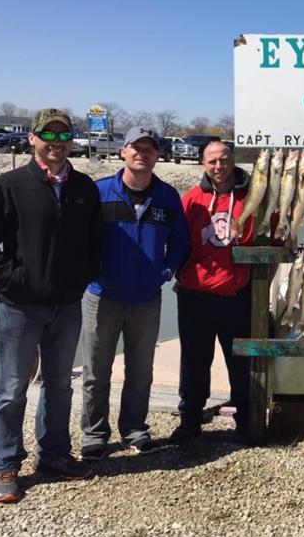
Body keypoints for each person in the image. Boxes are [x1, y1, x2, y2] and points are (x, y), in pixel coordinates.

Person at [0, 108, 102, 503]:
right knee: (11, 389)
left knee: (59, 385)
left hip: (67, 306)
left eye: (63, 136)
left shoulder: (84, 187)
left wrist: (81, 279)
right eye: (49, 135)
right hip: (18, 307)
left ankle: (54, 454)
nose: (56, 143)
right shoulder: (8, 185)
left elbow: (95, 243)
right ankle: (5, 463)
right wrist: (16, 281)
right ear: (32, 139)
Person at [79, 127, 188, 460]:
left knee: (141, 371)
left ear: (158, 156)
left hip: (146, 299)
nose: (142, 153)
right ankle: (94, 435)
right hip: (102, 297)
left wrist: (167, 270)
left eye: (149, 149)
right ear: (123, 152)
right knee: (96, 372)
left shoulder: (168, 197)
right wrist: (88, 270)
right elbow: (77, 238)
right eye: (136, 148)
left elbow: (180, 241)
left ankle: (134, 429)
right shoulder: (99, 192)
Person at [169, 141, 255, 444]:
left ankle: (246, 420)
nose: (219, 166)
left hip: (236, 295)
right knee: (194, 362)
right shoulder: (192, 199)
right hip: (195, 295)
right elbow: (176, 241)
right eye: (212, 161)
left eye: (224, 160)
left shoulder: (252, 197)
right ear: (203, 164)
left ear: (233, 160)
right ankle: (190, 421)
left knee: (241, 363)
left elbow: (273, 234)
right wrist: (175, 273)